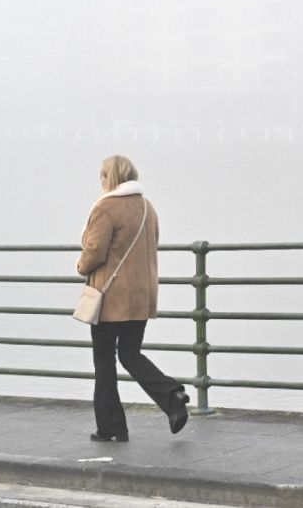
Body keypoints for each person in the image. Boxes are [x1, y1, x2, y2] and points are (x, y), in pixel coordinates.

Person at [77, 154, 189, 442]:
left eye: (103, 176)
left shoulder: (106, 208)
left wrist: (81, 266)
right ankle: (171, 395)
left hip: (110, 298)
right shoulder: (147, 207)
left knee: (104, 361)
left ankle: (111, 427)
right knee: (130, 354)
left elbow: (95, 251)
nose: (100, 181)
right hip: (141, 295)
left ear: (111, 178)